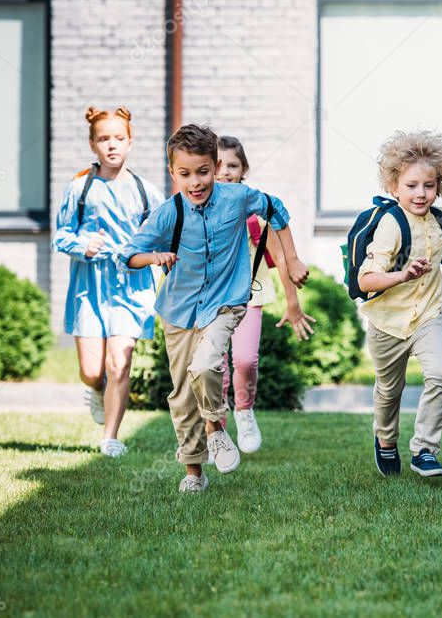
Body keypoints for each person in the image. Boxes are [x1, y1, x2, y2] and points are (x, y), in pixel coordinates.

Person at [119, 124, 309, 493]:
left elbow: (277, 210)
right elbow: (128, 254)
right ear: (172, 172)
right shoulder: (167, 213)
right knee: (182, 394)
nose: (195, 182)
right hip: (178, 311)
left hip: (227, 302)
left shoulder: (237, 198)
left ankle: (216, 427)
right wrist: (154, 256)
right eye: (185, 174)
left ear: (215, 165)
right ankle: (194, 473)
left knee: (206, 365)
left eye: (203, 171)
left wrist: (294, 258)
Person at [358, 130, 442, 479]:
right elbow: (365, 280)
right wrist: (402, 275)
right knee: (390, 390)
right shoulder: (390, 225)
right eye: (412, 185)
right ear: (394, 187)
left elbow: (440, 244)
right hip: (388, 321)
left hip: (428, 315)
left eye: (429, 186)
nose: (421, 193)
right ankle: (386, 439)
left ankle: (425, 450)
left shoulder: (438, 218)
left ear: (439, 186)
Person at [53, 106, 164, 457]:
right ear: (92, 144)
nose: (112, 145)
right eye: (104, 139)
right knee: (91, 371)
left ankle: (111, 437)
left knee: (120, 362)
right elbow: (60, 236)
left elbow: (164, 236)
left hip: (132, 288)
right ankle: (96, 389)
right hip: (89, 289)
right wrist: (82, 245)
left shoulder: (146, 192)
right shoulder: (79, 188)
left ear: (130, 142)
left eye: (119, 138)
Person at [214, 135, 316, 453]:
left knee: (244, 361)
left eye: (232, 165)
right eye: (217, 165)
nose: (225, 171)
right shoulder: (199, 209)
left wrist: (293, 303)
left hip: (249, 297)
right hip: (211, 301)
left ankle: (244, 411)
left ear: (244, 169)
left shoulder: (255, 215)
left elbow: (283, 258)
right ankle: (217, 427)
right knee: (214, 367)